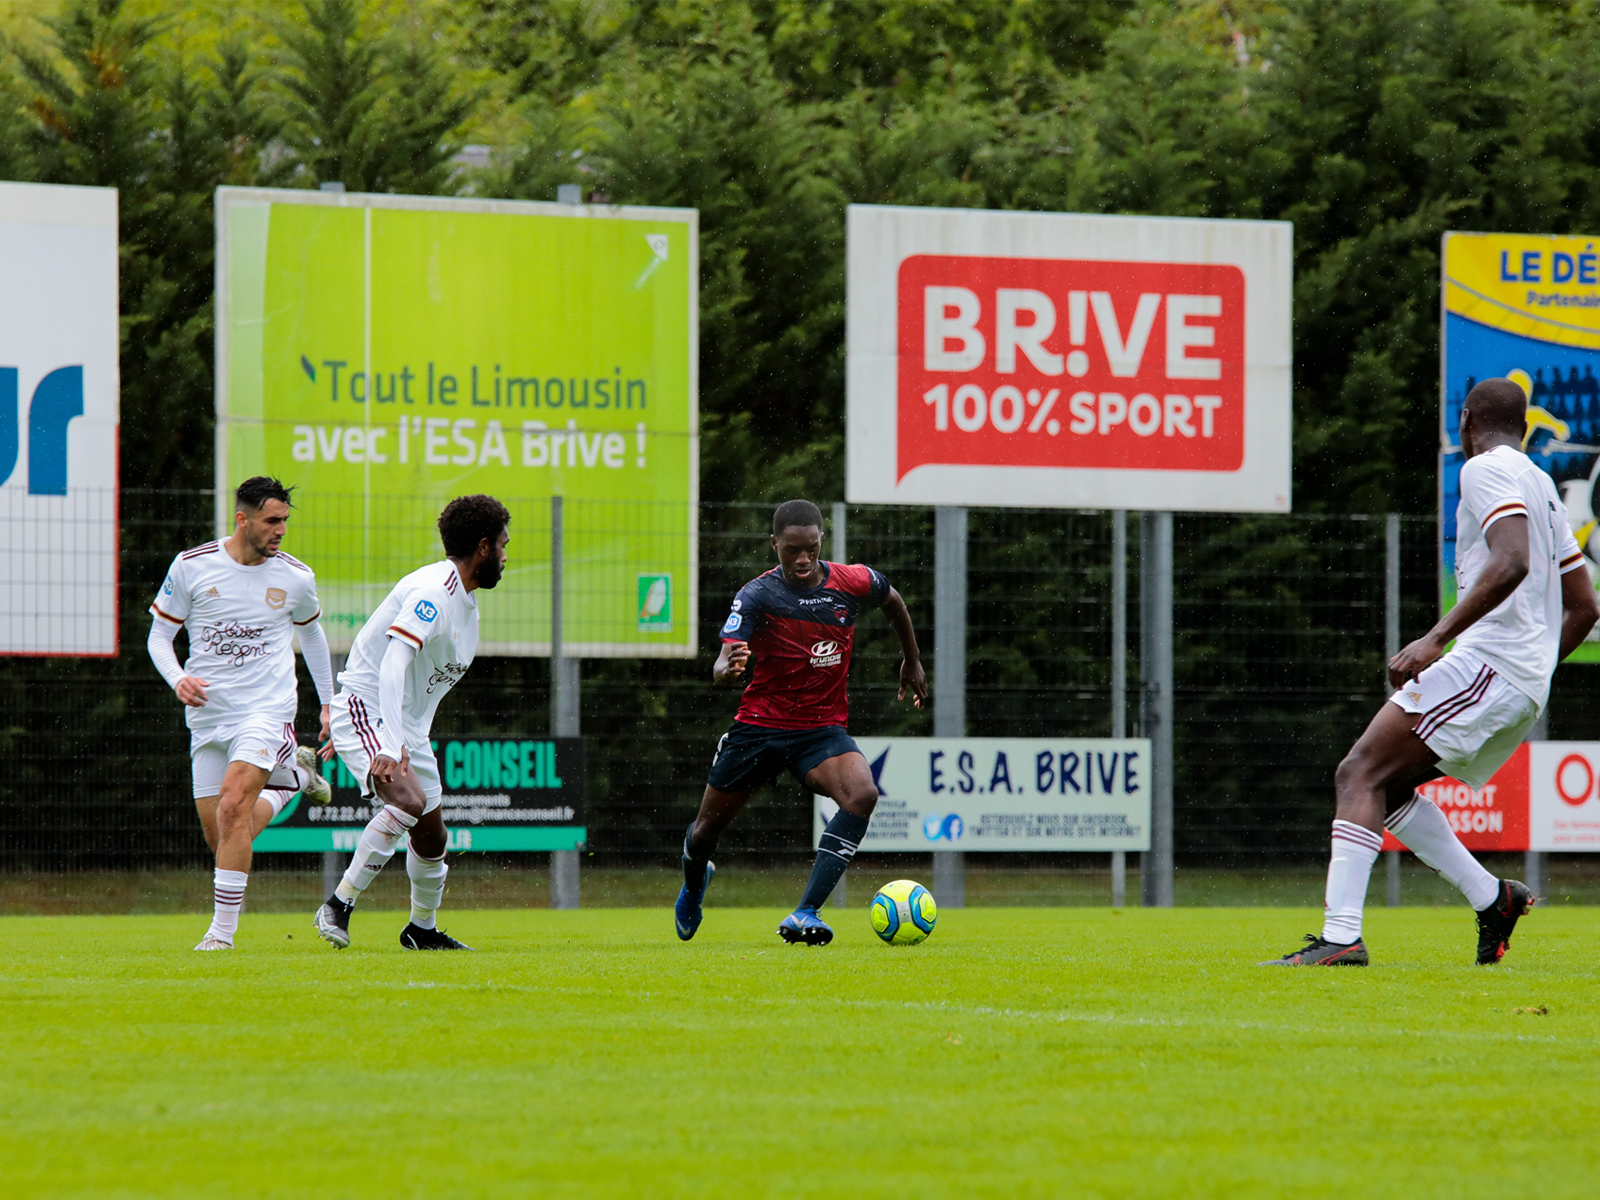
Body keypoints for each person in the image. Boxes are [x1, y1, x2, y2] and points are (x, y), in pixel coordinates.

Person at [1264, 379, 1599, 967]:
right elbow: (1586, 606)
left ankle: (1341, 938)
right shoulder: (1543, 484)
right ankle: (1492, 898)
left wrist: (1435, 639)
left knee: (1358, 771)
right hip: (1515, 677)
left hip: (1488, 663)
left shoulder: (1482, 470)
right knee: (1386, 788)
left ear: (1467, 420)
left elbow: (1512, 560)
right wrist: (1535, 671)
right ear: (1523, 428)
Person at [676, 498, 929, 946]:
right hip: (759, 727)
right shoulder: (757, 594)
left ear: (819, 542)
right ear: (774, 544)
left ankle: (804, 912)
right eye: (792, 549)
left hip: (819, 728)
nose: (802, 558)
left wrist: (911, 658)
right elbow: (721, 659)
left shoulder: (852, 581)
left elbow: (893, 601)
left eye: (810, 548)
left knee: (862, 793)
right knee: (704, 833)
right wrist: (726, 668)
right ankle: (695, 883)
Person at [312, 494, 510, 951]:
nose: (505, 555)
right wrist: (379, 740)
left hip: (403, 726)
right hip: (371, 709)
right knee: (409, 801)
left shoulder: (465, 601)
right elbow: (392, 665)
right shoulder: (434, 593)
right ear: (482, 547)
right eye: (502, 545)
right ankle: (338, 904)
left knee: (432, 833)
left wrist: (397, 737)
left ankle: (421, 929)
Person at [147, 476, 334, 951]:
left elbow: (311, 637)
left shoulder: (295, 577)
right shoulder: (192, 567)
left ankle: (220, 936)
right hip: (209, 716)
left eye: (285, 521)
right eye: (272, 521)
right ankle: (291, 781)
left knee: (233, 805)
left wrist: (330, 703)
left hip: (266, 710)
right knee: (228, 832)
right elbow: (159, 638)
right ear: (242, 519)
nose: (281, 530)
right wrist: (178, 679)